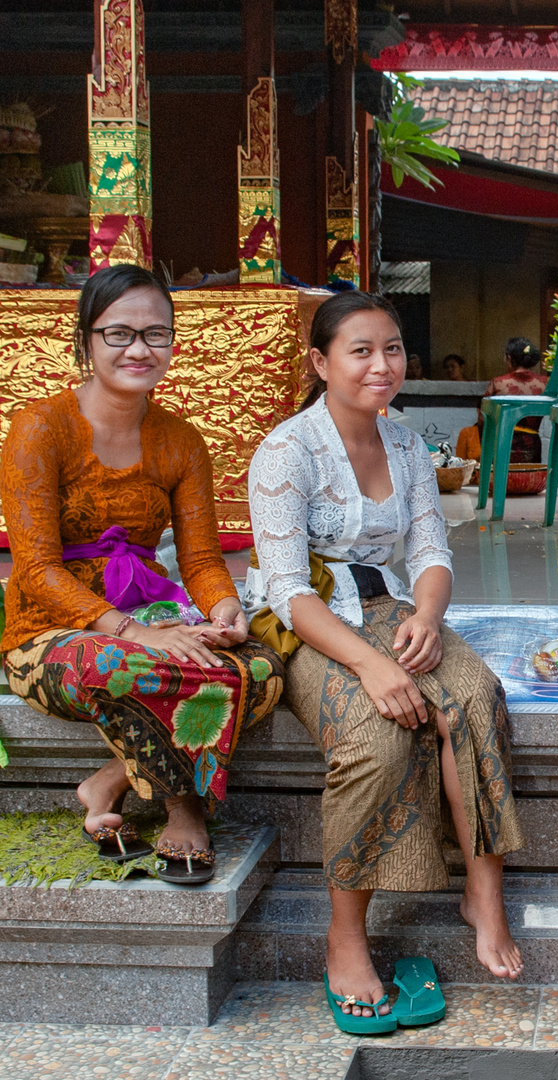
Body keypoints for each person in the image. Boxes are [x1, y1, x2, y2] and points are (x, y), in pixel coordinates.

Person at [246, 291, 524, 1027]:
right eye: (360, 350)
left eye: (393, 349)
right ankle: (345, 935)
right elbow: (286, 591)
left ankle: (481, 894)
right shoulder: (287, 450)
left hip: (390, 609)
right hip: (312, 625)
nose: (381, 365)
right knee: (376, 736)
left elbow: (431, 548)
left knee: (476, 696)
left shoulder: (402, 440)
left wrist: (427, 620)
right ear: (321, 361)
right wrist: (371, 666)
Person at [1, 265, 284, 884]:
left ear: (172, 344)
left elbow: (203, 560)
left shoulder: (181, 441)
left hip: (152, 611)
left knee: (260, 670)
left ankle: (108, 780)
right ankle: (183, 805)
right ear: (85, 342)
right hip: (51, 630)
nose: (138, 349)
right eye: (119, 333)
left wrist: (222, 611)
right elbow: (38, 568)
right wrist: (128, 631)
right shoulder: (39, 428)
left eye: (156, 334)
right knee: (129, 667)